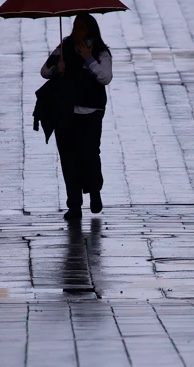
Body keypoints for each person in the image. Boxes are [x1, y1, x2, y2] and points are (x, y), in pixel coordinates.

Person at [40, 14, 113, 221]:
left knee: (89, 154)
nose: (75, 31)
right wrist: (56, 69)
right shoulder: (64, 47)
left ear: (90, 31)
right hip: (65, 112)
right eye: (74, 26)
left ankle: (94, 191)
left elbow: (105, 77)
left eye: (81, 28)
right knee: (68, 159)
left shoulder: (100, 52)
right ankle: (74, 206)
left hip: (91, 112)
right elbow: (44, 70)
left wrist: (88, 59)